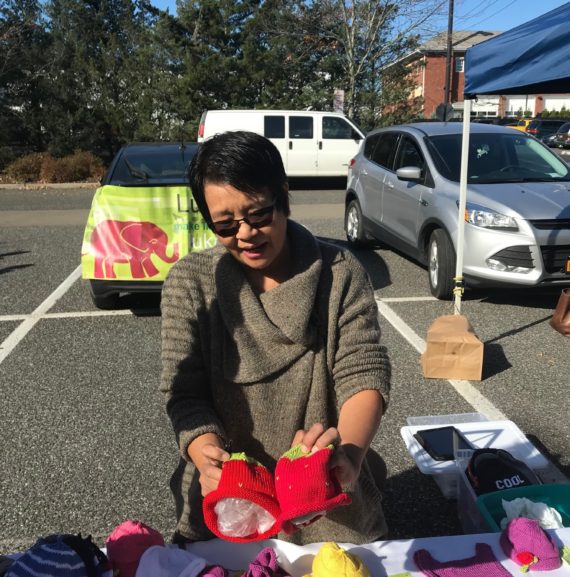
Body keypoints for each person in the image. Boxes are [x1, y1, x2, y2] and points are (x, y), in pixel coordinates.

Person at [160, 130, 391, 546]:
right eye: (226, 224)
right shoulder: (189, 282)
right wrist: (202, 450)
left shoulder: (340, 272)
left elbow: (364, 373)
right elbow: (184, 392)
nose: (246, 233)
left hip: (324, 488)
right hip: (229, 500)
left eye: (259, 214)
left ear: (283, 194)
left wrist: (352, 454)